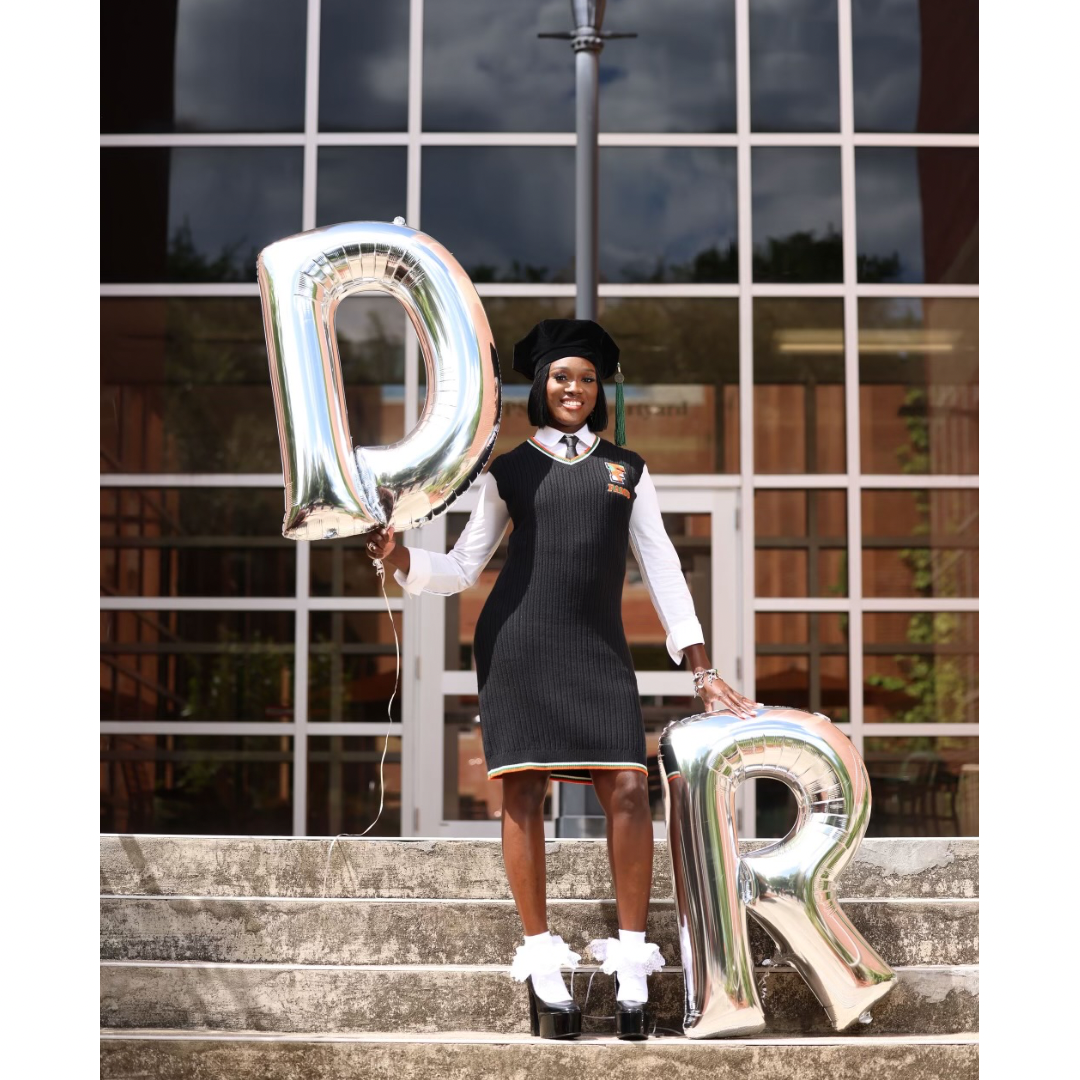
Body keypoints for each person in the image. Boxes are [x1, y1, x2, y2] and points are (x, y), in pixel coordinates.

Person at [365, 319, 755, 1040]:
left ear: (599, 389)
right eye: (559, 378)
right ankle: (545, 970)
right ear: (539, 389)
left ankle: (633, 967)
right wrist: (398, 558)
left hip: (599, 650)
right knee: (521, 788)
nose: (573, 389)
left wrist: (700, 666)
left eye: (585, 378)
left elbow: (662, 566)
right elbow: (459, 569)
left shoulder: (629, 470)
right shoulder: (507, 471)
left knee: (630, 786)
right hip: (518, 646)